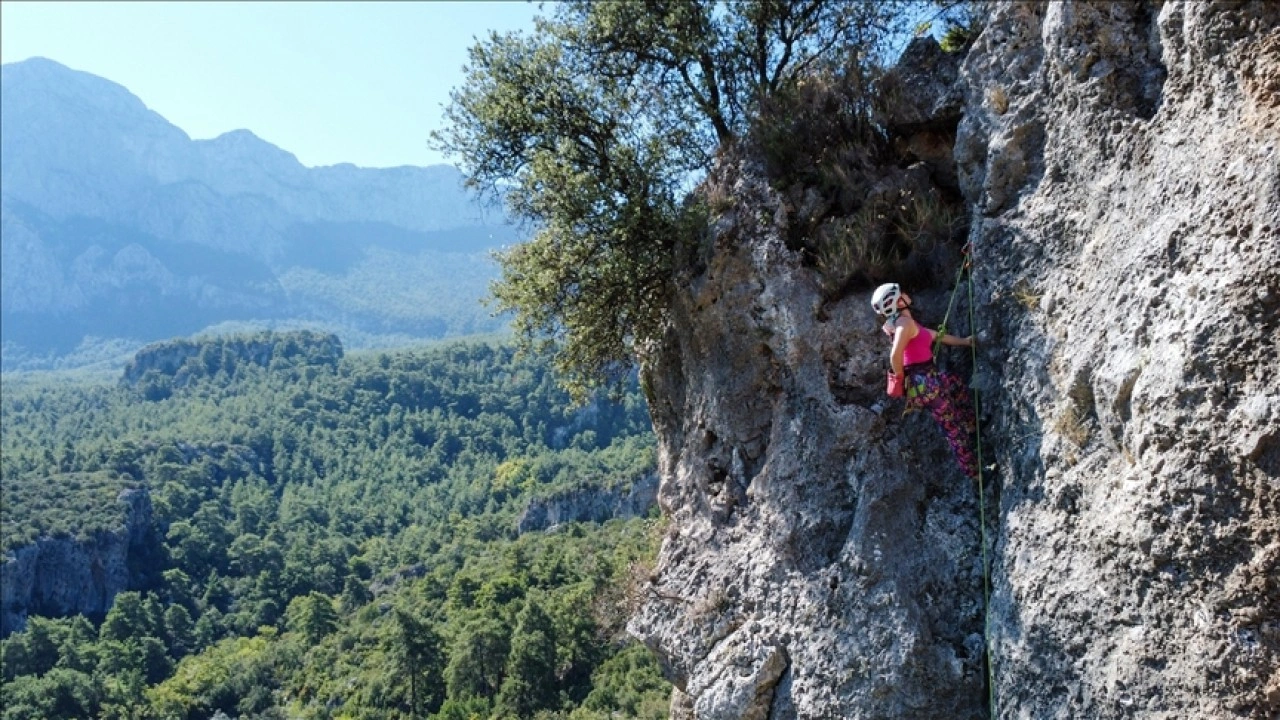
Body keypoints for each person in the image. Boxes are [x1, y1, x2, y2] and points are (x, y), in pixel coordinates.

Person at [871, 282, 979, 479]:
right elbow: (895, 356)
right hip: (925, 382)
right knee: (952, 427)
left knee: (954, 384)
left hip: (927, 381)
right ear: (898, 301)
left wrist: (966, 341)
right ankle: (975, 472)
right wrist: (901, 379)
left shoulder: (907, 324)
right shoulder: (905, 325)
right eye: (902, 293)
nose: (906, 293)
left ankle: (972, 426)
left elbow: (938, 336)